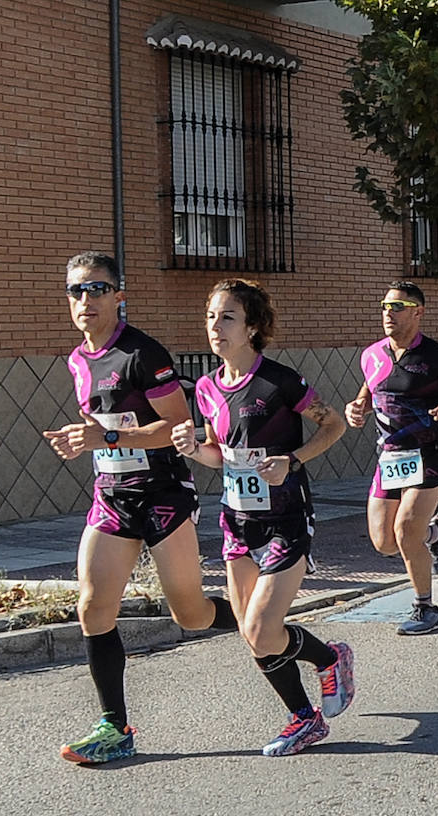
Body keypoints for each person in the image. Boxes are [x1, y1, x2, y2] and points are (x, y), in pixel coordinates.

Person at [43, 252, 234, 765]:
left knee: (191, 614)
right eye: (76, 291)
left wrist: (106, 433)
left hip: (162, 494)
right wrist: (82, 440)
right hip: (111, 494)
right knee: (92, 606)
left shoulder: (141, 353)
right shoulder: (77, 359)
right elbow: (103, 429)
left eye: (97, 289)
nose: (85, 300)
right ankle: (115, 726)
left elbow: (177, 429)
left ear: (118, 295)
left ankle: (275, 630)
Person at [171, 280, 350, 756]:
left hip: (286, 517)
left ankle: (330, 659)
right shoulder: (207, 387)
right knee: (254, 636)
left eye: (227, 317)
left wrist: (292, 460)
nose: (215, 326)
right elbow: (220, 453)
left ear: (251, 327)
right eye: (210, 316)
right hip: (237, 520)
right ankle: (302, 718)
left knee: (261, 629)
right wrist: (195, 449)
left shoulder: (279, 382)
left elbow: (334, 424)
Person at [346, 281, 438, 635]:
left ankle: (425, 608)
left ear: (417, 312)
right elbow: (370, 386)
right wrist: (358, 406)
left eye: (398, 307)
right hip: (389, 458)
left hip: (430, 453)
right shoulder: (371, 354)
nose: (388, 313)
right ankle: (436, 532)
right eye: (384, 306)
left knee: (407, 530)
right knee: (384, 542)